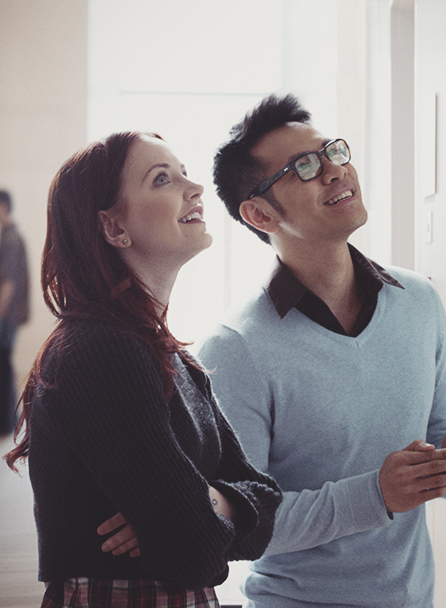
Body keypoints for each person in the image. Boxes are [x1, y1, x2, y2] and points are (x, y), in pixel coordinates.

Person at [197, 93, 446, 608]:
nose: (335, 171)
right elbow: (242, 525)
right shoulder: (235, 349)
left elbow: (441, 446)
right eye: (304, 167)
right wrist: (378, 494)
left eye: (333, 152)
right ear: (259, 213)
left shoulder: (420, 301)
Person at [3, 132, 283, 608]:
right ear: (114, 229)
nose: (194, 188)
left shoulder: (171, 355)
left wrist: (205, 501)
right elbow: (193, 548)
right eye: (162, 180)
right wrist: (193, 515)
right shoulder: (100, 349)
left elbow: (266, 501)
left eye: (184, 172)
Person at [0, 189, 30, 436]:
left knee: (3, 367)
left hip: (5, 317)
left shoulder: (10, 239)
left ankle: (7, 423)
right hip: (8, 317)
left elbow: (8, 284)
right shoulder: (9, 237)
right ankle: (9, 419)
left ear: (4, 207)